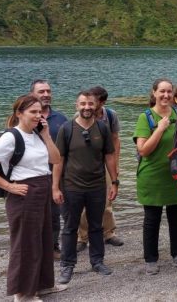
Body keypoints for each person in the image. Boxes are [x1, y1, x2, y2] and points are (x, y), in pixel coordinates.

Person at [0, 95, 66, 301]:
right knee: (25, 244)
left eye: (39, 112)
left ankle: (42, 285)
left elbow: (56, 159)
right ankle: (23, 294)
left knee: (43, 239)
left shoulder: (38, 135)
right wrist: (8, 186)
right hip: (24, 194)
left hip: (41, 190)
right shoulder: (10, 137)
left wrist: (47, 135)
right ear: (19, 114)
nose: (37, 115)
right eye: (32, 112)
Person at [53, 91, 119, 284]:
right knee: (70, 227)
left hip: (97, 186)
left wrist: (114, 182)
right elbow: (58, 160)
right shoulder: (67, 129)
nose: (87, 107)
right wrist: (55, 188)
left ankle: (97, 261)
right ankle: (67, 265)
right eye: (83, 104)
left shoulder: (102, 128)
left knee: (96, 226)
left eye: (90, 104)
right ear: (77, 105)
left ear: (96, 105)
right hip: (71, 187)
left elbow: (109, 156)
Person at [134, 78, 177, 275]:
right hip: (152, 177)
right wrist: (160, 129)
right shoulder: (145, 117)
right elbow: (144, 150)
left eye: (169, 91)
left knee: (176, 217)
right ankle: (151, 259)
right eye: (161, 91)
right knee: (152, 219)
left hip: (175, 175)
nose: (165, 95)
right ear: (154, 93)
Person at [77, 86, 124, 251]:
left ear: (102, 102)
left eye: (94, 101)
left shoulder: (110, 115)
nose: (89, 105)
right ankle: (82, 237)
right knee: (83, 202)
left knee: (107, 200)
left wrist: (116, 164)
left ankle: (108, 233)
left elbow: (116, 139)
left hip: (106, 161)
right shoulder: (80, 115)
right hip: (86, 162)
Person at [29, 79, 67, 259]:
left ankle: (53, 247)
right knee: (31, 215)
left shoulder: (60, 119)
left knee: (54, 214)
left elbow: (67, 149)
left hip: (55, 173)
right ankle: (33, 249)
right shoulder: (25, 118)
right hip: (30, 175)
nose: (46, 95)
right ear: (32, 95)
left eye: (48, 91)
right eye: (41, 91)